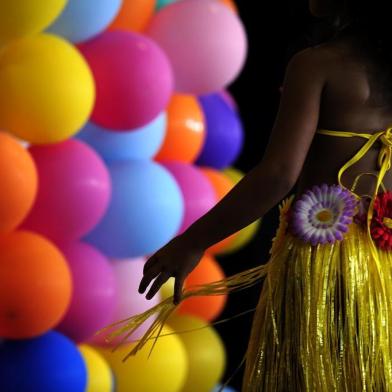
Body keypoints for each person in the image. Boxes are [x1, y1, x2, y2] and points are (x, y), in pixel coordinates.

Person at [97, 0, 392, 390]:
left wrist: (192, 241)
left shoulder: (315, 65)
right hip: (381, 258)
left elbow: (277, 175)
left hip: (323, 257)